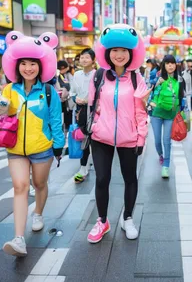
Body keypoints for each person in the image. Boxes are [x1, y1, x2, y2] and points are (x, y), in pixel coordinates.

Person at [0, 31, 64, 256]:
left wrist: (58, 146)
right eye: (24, 64)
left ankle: (38, 212)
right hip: (15, 147)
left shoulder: (49, 92)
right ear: (16, 66)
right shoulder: (9, 89)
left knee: (39, 184)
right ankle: (19, 239)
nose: (28, 68)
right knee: (20, 187)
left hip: (42, 148)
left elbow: (56, 121)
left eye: (33, 64)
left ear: (41, 66)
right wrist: (1, 105)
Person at [87, 24, 150, 244]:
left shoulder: (136, 79)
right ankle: (102, 220)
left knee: (130, 178)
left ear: (131, 53)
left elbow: (141, 112)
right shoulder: (98, 76)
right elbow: (93, 106)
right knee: (102, 178)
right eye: (115, 50)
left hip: (128, 138)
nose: (119, 54)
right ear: (107, 52)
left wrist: (140, 137)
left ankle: (128, 218)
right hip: (100, 137)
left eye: (124, 50)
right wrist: (94, 125)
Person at [150, 55, 185, 178]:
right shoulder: (159, 78)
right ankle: (160, 154)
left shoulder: (180, 80)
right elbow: (153, 93)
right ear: (164, 65)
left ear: (176, 65)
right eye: (168, 63)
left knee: (167, 141)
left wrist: (181, 111)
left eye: (172, 63)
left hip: (171, 114)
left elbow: (182, 97)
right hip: (157, 113)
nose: (170, 66)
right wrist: (156, 85)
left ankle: (166, 166)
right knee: (157, 141)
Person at [70, 48, 96, 182]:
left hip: (94, 110)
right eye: (82, 57)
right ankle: (83, 167)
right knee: (83, 137)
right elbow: (72, 92)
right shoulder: (77, 74)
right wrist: (75, 99)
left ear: (93, 60)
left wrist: (89, 101)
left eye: (87, 57)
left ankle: (92, 164)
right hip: (81, 110)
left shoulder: (97, 74)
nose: (84, 60)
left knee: (94, 138)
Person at [56, 60, 74, 132]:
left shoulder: (67, 75)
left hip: (67, 101)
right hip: (59, 100)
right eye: (60, 68)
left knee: (67, 117)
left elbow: (71, 85)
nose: (62, 70)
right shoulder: (56, 76)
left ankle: (66, 129)